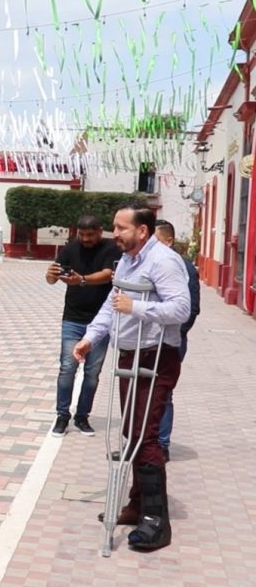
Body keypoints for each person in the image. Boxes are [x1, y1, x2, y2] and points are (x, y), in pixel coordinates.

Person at [74, 202, 190, 552]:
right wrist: (91, 338)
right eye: (115, 227)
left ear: (142, 231)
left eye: (121, 228)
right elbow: (112, 305)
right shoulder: (127, 260)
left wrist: (136, 307)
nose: (115, 234)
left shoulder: (165, 261)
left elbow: (180, 308)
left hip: (156, 356)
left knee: (146, 435)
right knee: (132, 432)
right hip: (130, 353)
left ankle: (156, 521)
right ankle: (137, 505)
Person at [46, 215, 122, 437]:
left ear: (100, 231)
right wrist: (50, 275)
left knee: (92, 372)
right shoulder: (71, 248)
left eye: (90, 235)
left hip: (100, 321)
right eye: (82, 235)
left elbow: (108, 275)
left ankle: (82, 416)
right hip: (72, 319)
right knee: (67, 368)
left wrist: (82, 280)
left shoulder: (111, 248)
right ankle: (62, 416)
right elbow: (54, 277)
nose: (86, 239)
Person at [153, 219, 200, 461]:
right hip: (147, 340)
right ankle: (144, 443)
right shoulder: (150, 262)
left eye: (156, 239)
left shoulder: (183, 266)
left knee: (163, 392)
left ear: (169, 240)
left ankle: (161, 445)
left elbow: (191, 310)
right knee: (143, 391)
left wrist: (176, 334)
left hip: (172, 340)